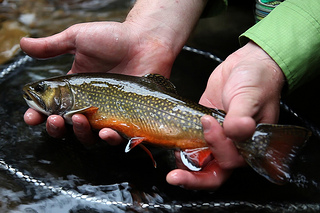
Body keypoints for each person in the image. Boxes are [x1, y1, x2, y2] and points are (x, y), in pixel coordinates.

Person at [21, 0, 320, 190]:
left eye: (41, 89)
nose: (33, 92)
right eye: (40, 89)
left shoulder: (79, 100)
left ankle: (264, 144)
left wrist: (271, 60)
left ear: (68, 95)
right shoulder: (78, 101)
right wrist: (150, 28)